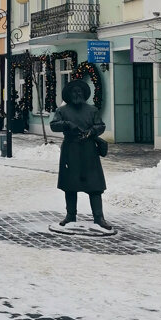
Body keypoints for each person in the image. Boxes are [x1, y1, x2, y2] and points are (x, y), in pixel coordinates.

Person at [50, 78, 112, 230]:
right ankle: (70, 215)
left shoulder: (92, 110)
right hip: (70, 150)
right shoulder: (62, 111)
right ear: (69, 94)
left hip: (89, 150)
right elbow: (53, 125)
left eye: (79, 91)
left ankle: (99, 217)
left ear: (84, 94)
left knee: (95, 185)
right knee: (70, 185)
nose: (77, 94)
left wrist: (92, 131)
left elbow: (100, 125)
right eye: (74, 91)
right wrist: (67, 124)